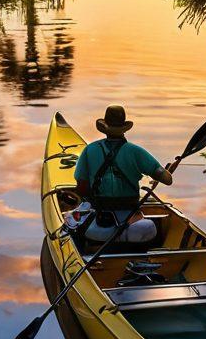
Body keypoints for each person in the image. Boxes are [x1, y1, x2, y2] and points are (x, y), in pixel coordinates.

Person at [73, 104, 173, 244]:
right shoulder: (136, 151)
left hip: (99, 226)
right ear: (124, 128)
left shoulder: (90, 150)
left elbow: (82, 187)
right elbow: (167, 180)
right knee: (149, 227)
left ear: (105, 127)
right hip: (132, 222)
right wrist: (166, 171)